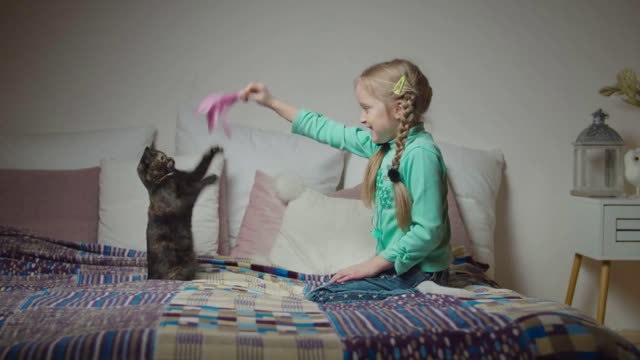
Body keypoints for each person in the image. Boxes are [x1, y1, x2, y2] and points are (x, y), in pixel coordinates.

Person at [239, 59, 452, 304]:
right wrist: (271, 102)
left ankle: (426, 290)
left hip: (423, 271)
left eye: (367, 108)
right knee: (322, 287)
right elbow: (327, 129)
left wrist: (372, 265)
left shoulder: (421, 155)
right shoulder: (382, 146)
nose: (362, 118)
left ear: (398, 109)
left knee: (321, 295)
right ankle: (405, 289)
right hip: (399, 268)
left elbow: (428, 231)